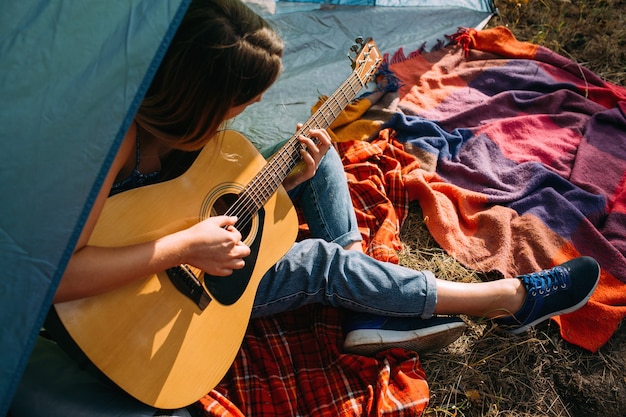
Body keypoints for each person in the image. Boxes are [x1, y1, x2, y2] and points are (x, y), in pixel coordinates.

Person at [11, 0, 600, 415]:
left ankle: (365, 302)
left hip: (188, 240)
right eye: (234, 106)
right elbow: (52, 277)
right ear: (195, 96)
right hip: (152, 293)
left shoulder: (173, 127)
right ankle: (507, 299)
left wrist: (288, 179)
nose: (237, 119)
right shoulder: (106, 147)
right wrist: (185, 247)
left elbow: (189, 198)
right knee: (319, 260)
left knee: (319, 160)